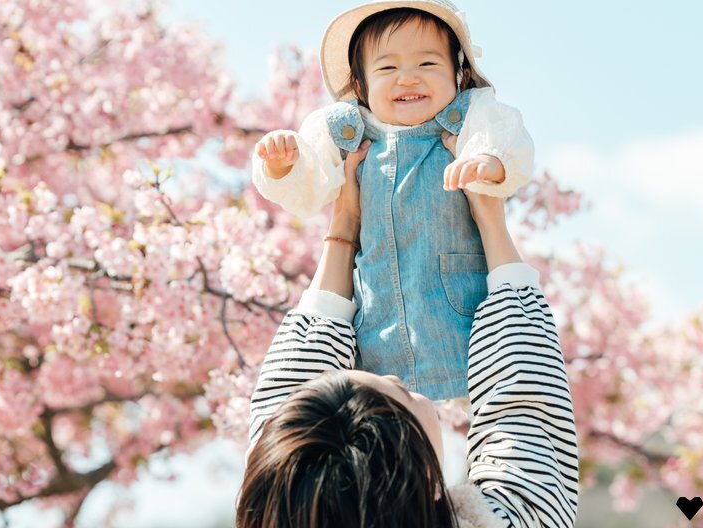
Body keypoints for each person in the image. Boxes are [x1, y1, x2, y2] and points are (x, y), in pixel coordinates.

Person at [237, 139, 578, 528]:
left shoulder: (287, 504)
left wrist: (347, 222)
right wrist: (490, 221)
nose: (393, 376)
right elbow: (526, 408)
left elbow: (287, 416)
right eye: (399, 395)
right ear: (420, 480)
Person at [251, 0, 535, 401]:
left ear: (458, 74)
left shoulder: (468, 118)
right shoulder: (347, 132)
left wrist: (490, 163)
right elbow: (311, 183)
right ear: (361, 86)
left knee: (484, 394)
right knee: (382, 404)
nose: (408, 77)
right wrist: (284, 163)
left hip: (463, 323)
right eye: (387, 69)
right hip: (376, 328)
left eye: (427, 62)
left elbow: (505, 141)